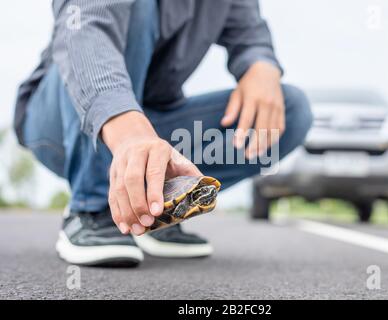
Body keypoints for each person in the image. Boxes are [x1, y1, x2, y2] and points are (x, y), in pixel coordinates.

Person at [14, 0, 312, 267]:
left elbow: (250, 34)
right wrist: (127, 131)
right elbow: (86, 30)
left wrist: (261, 65)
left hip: (153, 123)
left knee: (289, 109)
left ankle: (153, 208)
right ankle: (91, 207)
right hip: (63, 121)